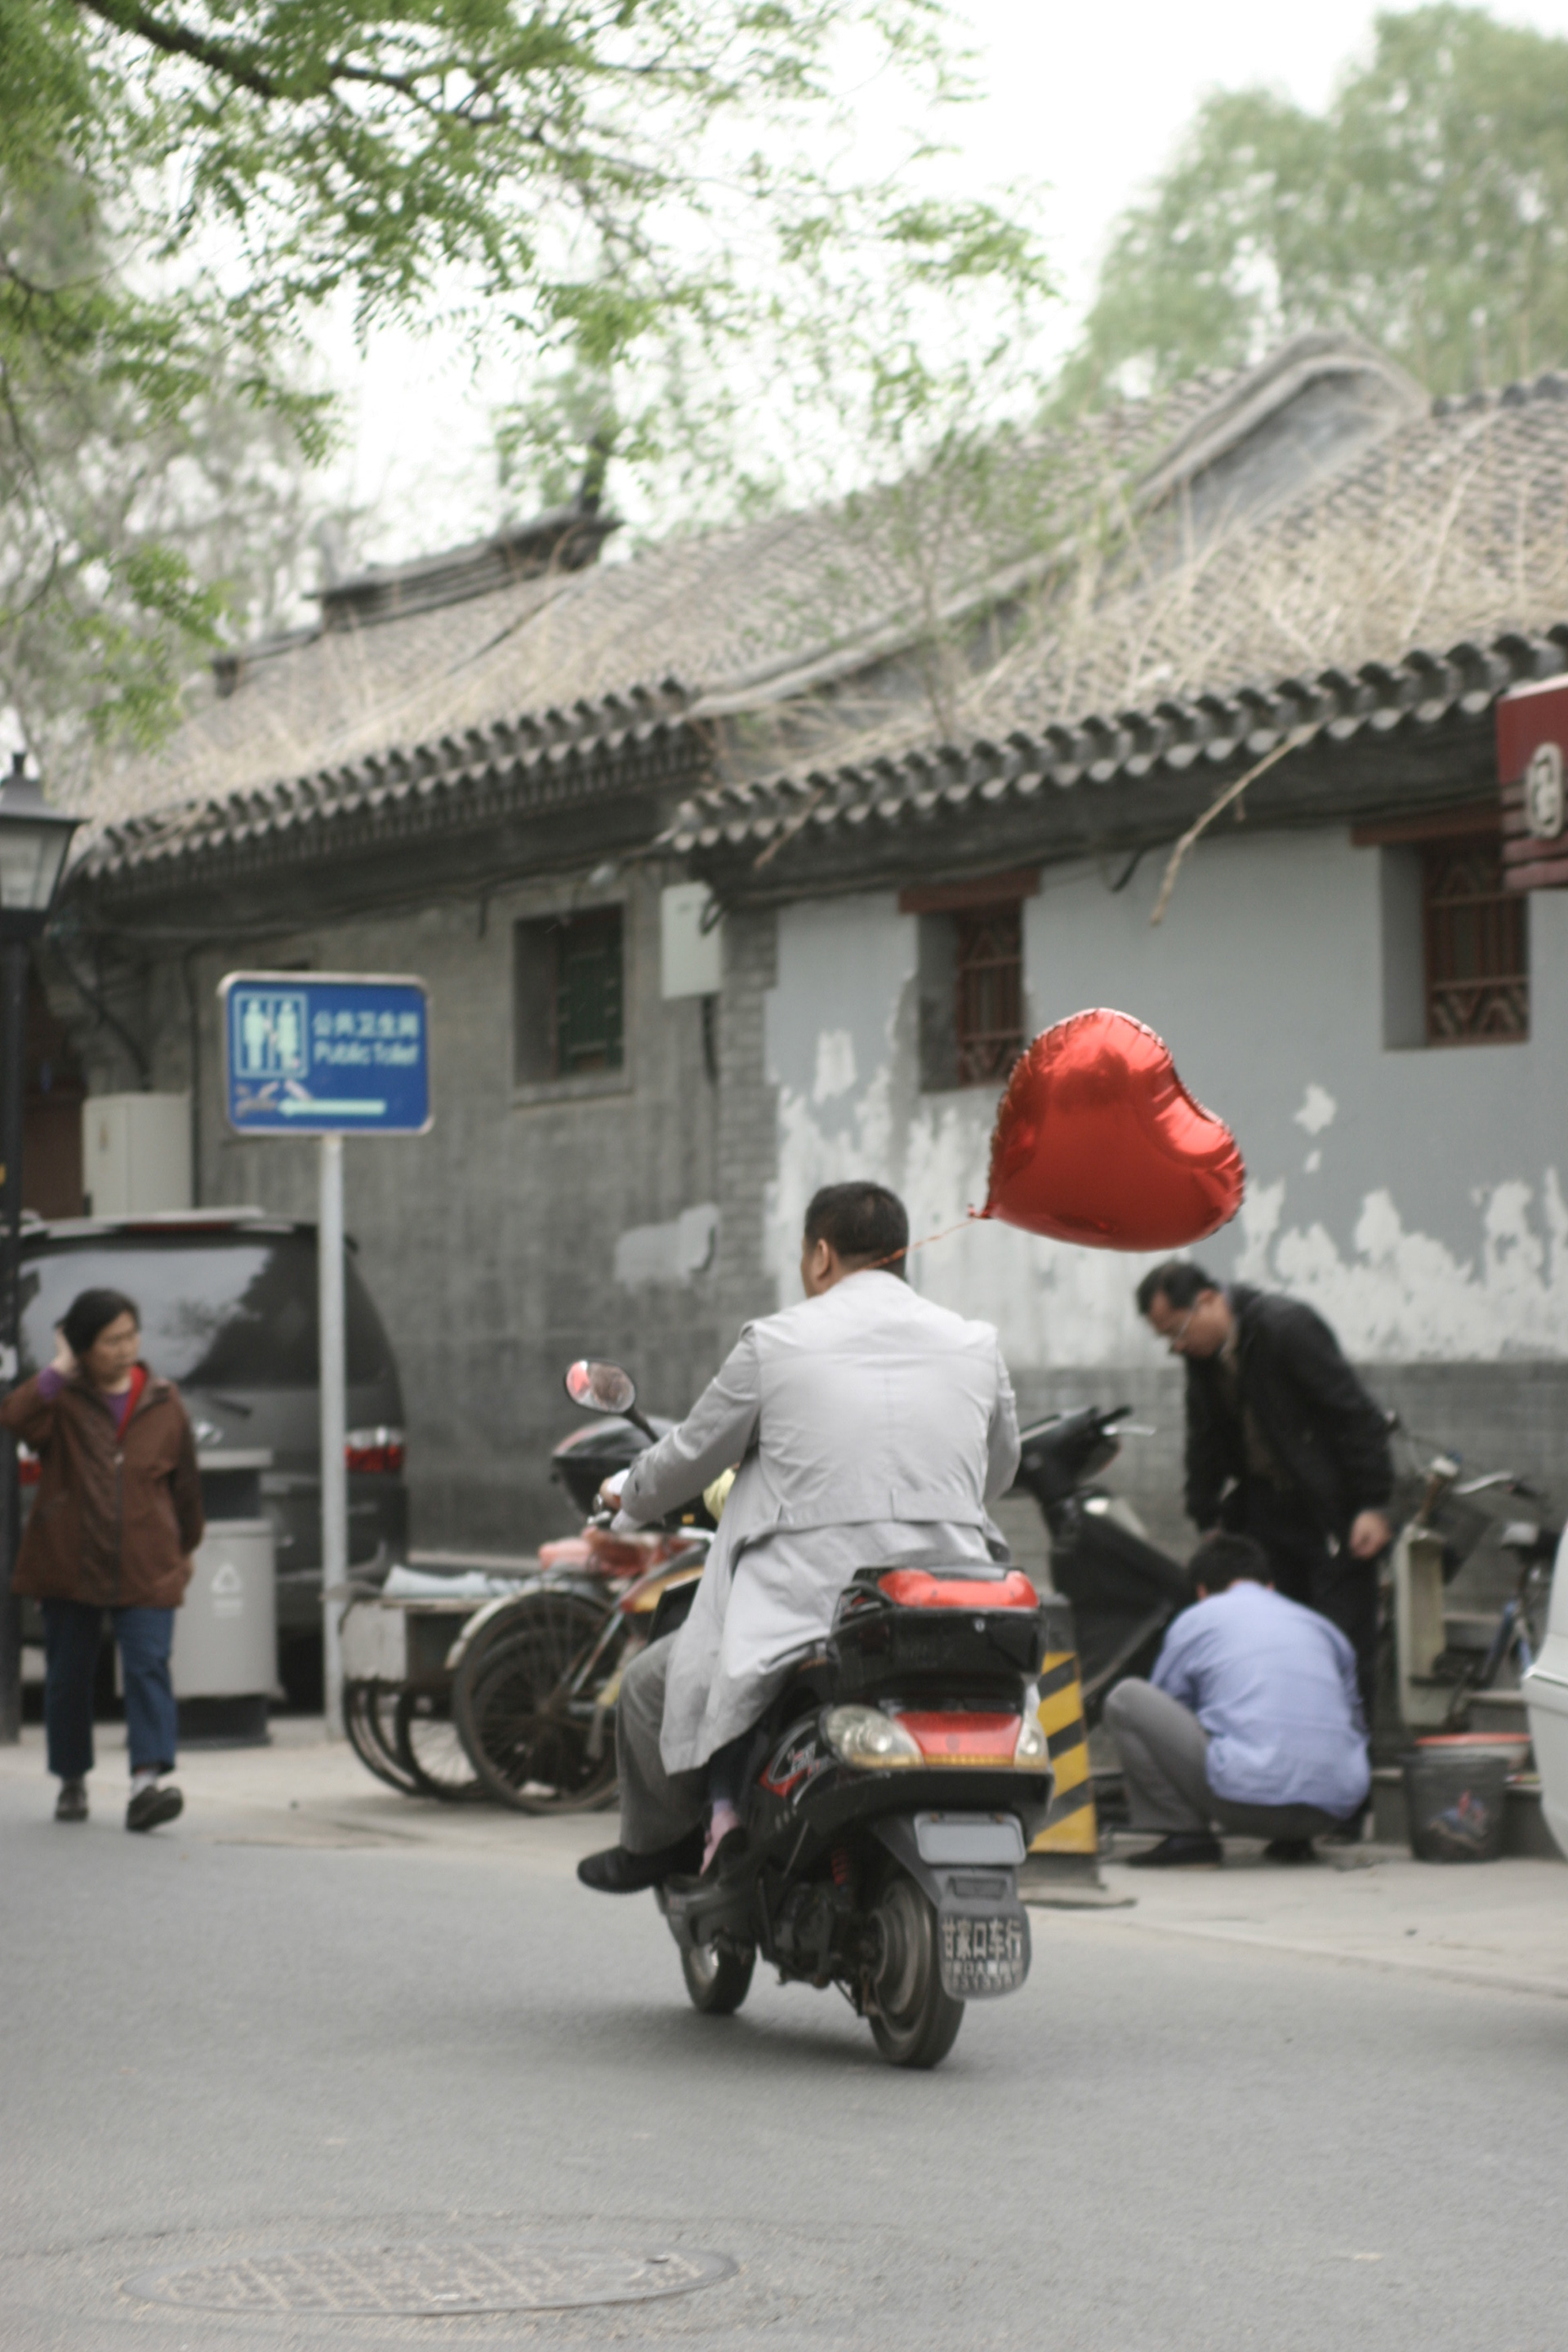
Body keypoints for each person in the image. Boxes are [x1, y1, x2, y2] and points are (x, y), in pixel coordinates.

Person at [577, 1180, 1020, 1892]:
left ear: (820, 1255)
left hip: (809, 1602)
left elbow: (688, 1457)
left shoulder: (775, 1343)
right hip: (946, 1597)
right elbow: (997, 1472)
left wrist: (622, 1493)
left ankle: (661, 1845)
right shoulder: (976, 1344)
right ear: (902, 1255)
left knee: (651, 1683)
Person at [1135, 1260, 1393, 1762]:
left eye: (1177, 1330)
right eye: (1165, 1338)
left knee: (1340, 1647)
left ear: (1209, 1301)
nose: (1176, 1346)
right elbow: (1204, 1441)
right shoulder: (1203, 1360)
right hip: (1266, 1514)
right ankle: (1287, 1781)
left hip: (1332, 1515)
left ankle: (1347, 1783)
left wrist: (1373, 1504)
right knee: (1276, 1649)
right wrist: (1207, 1519)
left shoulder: (1284, 1328)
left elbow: (1354, 1414)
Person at [1, 1287, 204, 1831]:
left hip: (147, 1560)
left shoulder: (164, 1401)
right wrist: (59, 1368)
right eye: (111, 1341)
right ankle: (72, 1778)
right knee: (69, 1677)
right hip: (70, 1560)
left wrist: (187, 1546)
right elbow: (14, 1416)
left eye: (131, 1336)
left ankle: (146, 1784)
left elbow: (186, 1485)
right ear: (84, 1348)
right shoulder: (61, 1403)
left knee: (147, 1667)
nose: (125, 1349)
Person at [1103, 1531, 1371, 1867]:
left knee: (1126, 1699)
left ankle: (1187, 1838)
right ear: (1269, 1586)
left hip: (1246, 1805)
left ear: (1202, 1591)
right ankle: (1294, 1844)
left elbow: (1168, 1706)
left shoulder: (1198, 1618)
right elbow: (1356, 1723)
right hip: (1332, 1809)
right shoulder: (1323, 1627)